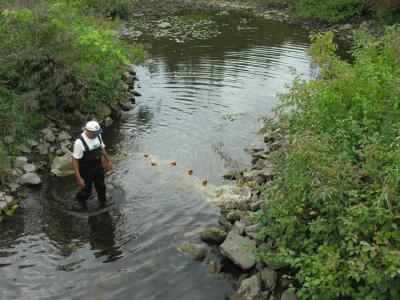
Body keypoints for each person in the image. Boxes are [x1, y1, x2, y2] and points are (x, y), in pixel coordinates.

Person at [72, 121, 113, 203]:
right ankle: (78, 202)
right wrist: (78, 177)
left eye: (98, 132)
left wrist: (109, 161)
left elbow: (102, 149)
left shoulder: (98, 136)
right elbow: (74, 160)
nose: (96, 134)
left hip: (98, 167)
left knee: (101, 187)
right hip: (86, 170)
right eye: (94, 133)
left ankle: (102, 204)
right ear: (88, 131)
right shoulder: (79, 142)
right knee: (87, 192)